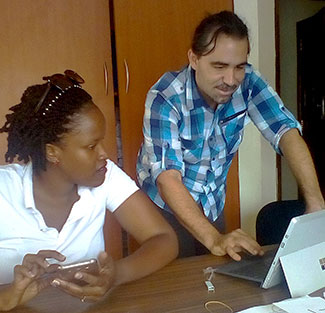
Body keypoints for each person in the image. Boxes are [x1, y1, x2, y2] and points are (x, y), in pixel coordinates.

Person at [137, 11, 324, 259]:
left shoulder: (248, 82)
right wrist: (214, 239)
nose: (231, 79)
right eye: (219, 66)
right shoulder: (166, 97)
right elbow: (168, 178)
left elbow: (286, 131)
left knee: (216, 277)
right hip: (164, 207)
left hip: (212, 202)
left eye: (239, 67)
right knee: (174, 287)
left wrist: (315, 203)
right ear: (194, 59)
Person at [0, 70, 178, 311]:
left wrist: (115, 274)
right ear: (52, 152)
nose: (104, 154)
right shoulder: (4, 191)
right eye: (91, 146)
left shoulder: (104, 176)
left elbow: (164, 240)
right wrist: (9, 295)